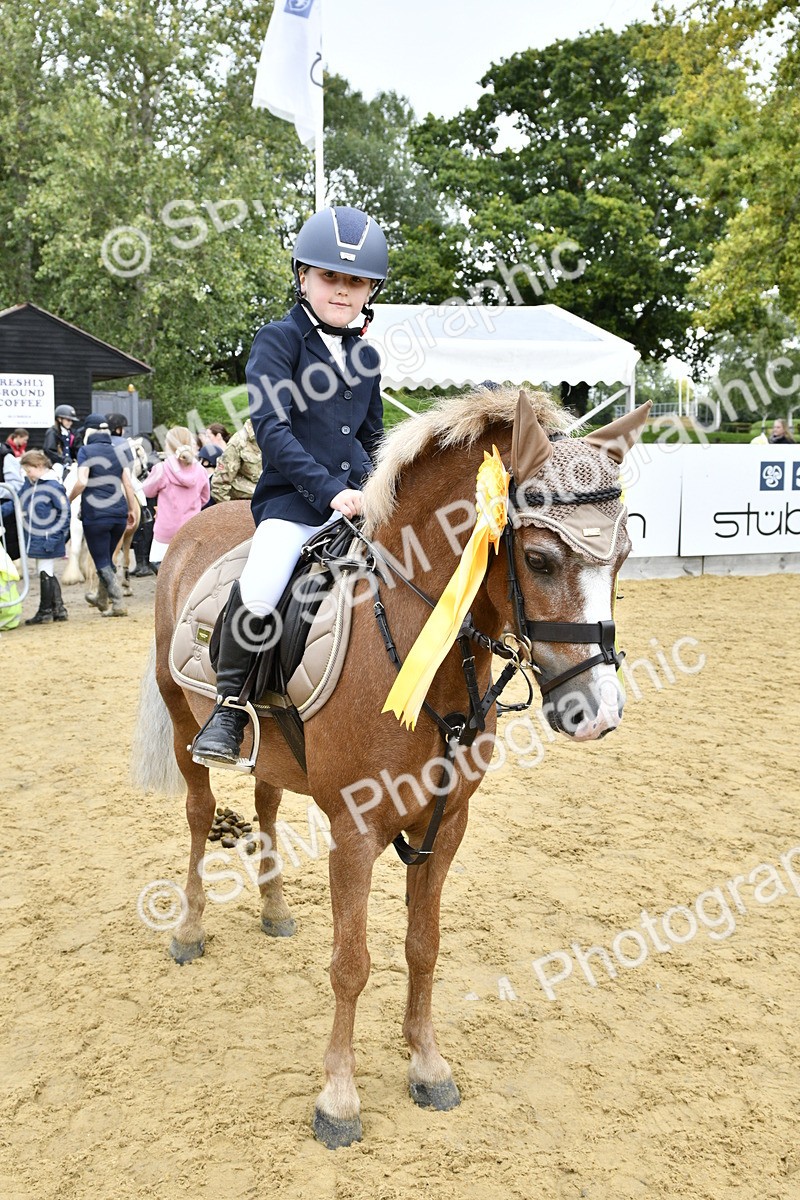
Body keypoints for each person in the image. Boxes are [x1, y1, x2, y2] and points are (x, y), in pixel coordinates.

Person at [191, 204, 387, 766]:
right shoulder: (278, 341)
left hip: (355, 505)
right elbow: (272, 432)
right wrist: (330, 491)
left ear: (369, 288)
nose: (343, 291)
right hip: (292, 503)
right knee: (262, 586)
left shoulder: (366, 355)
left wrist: (381, 486)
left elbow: (373, 438)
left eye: (355, 281)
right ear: (304, 276)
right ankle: (229, 710)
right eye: (331, 277)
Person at [68, 414, 138, 617]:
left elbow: (82, 481)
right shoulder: (119, 452)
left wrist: (69, 498)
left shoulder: (85, 451)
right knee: (106, 558)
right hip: (118, 513)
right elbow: (127, 484)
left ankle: (117, 603)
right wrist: (132, 509)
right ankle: (100, 598)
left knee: (101, 560)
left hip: (96, 514)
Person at [141, 426, 210, 568]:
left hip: (166, 530)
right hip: (191, 529)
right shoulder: (201, 470)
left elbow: (147, 491)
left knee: (159, 566)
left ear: (169, 445)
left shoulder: (162, 469)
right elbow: (205, 497)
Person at [18, 449, 71, 624]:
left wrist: (54, 538)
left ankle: (45, 611)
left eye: (29, 470)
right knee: (46, 571)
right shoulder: (34, 485)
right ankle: (58, 608)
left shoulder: (53, 486)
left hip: (48, 537)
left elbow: (64, 514)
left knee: (45, 571)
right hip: (41, 537)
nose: (27, 474)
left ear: (39, 466)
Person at [209, 418, 262, 504]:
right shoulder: (239, 441)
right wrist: (232, 511)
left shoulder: (278, 436)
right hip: (244, 504)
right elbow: (219, 485)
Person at [43, 404, 79, 474]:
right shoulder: (52, 432)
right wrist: (63, 459)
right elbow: (50, 450)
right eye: (68, 420)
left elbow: (78, 448)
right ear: (59, 419)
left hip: (71, 465)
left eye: (71, 421)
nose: (70, 423)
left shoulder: (73, 433)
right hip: (55, 465)